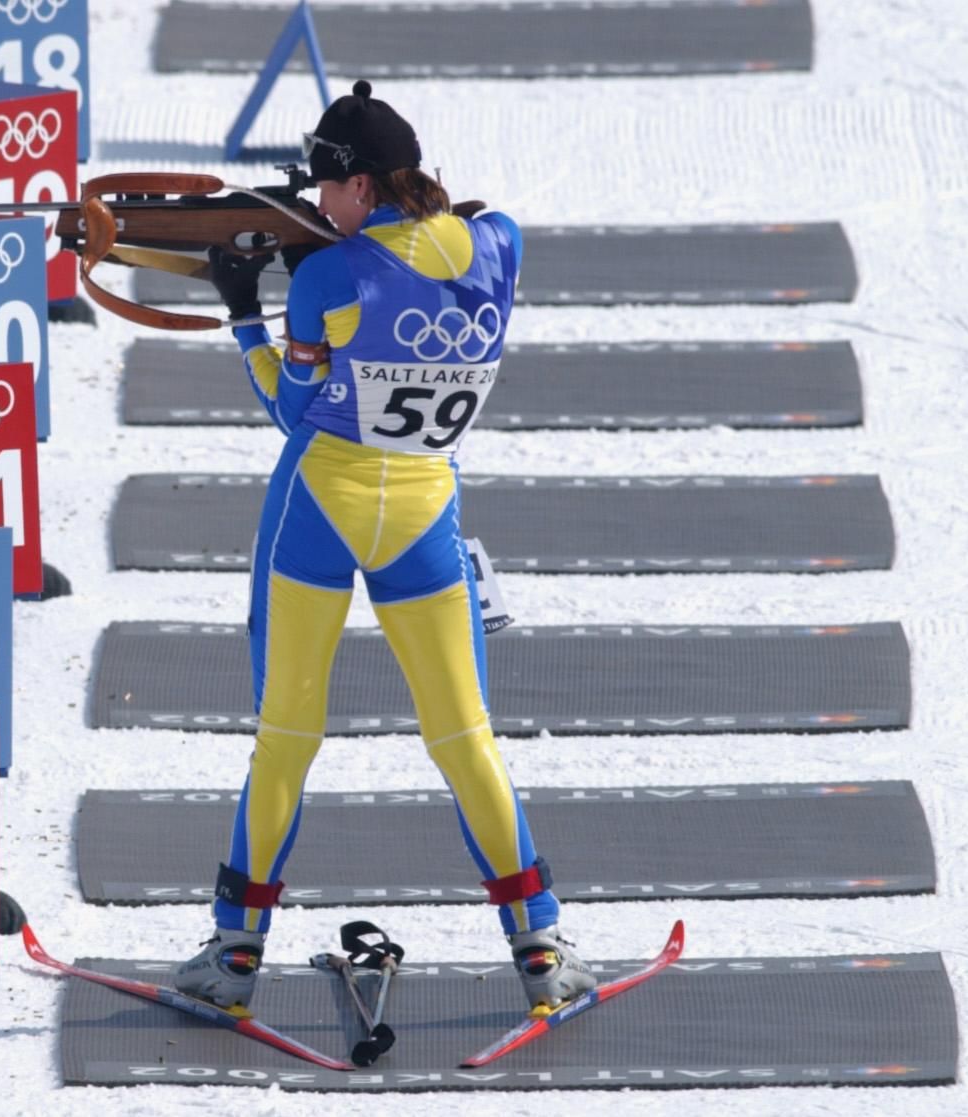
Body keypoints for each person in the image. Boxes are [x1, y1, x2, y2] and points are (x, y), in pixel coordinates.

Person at [170, 81, 595, 1018]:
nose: (320, 206)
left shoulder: (330, 278)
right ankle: (541, 951)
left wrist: (247, 315)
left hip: (320, 506)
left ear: (361, 186)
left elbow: (292, 410)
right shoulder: (498, 249)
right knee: (466, 738)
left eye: (329, 190)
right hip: (424, 517)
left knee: (285, 741)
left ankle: (234, 956)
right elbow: (471, 230)